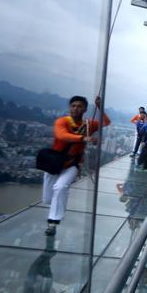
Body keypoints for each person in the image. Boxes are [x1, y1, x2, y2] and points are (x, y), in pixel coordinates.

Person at [43, 95, 110, 236]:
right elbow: (62, 136)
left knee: (60, 187)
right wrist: (84, 138)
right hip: (54, 162)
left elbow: (106, 122)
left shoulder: (88, 125)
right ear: (70, 107)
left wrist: (100, 107)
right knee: (48, 198)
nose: (76, 109)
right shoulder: (62, 121)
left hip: (72, 163)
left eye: (79, 106)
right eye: (73, 106)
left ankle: (53, 223)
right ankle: (61, 197)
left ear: (85, 109)